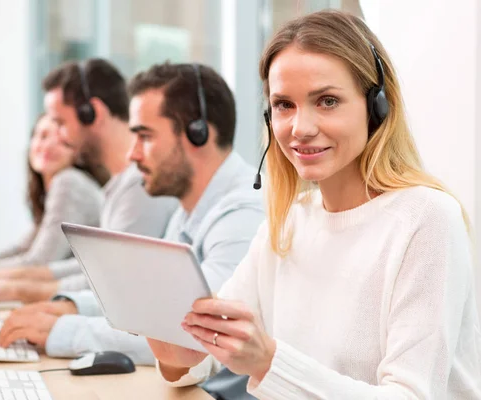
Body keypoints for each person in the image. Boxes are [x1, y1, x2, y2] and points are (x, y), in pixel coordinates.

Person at [147, 11, 481, 399]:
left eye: (327, 101)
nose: (300, 128)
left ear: (378, 105)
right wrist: (180, 352)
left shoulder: (426, 219)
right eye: (284, 105)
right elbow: (207, 355)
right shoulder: (290, 221)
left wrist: (267, 362)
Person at [0, 63, 265, 386]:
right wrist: (70, 307)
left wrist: (64, 332)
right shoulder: (188, 211)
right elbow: (146, 301)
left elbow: (189, 334)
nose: (133, 154)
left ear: (199, 132)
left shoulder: (242, 216)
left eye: (145, 137)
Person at [0, 59, 178, 302]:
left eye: (61, 123)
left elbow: (110, 283)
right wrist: (5, 277)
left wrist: (11, 286)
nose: (60, 138)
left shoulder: (141, 189)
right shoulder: (119, 187)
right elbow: (90, 267)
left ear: (92, 113)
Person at [0, 113, 103, 269]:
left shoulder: (69, 183)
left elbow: (39, 263)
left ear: (78, 154)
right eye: (43, 136)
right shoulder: (55, 190)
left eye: (63, 142)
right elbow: (21, 250)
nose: (48, 146)